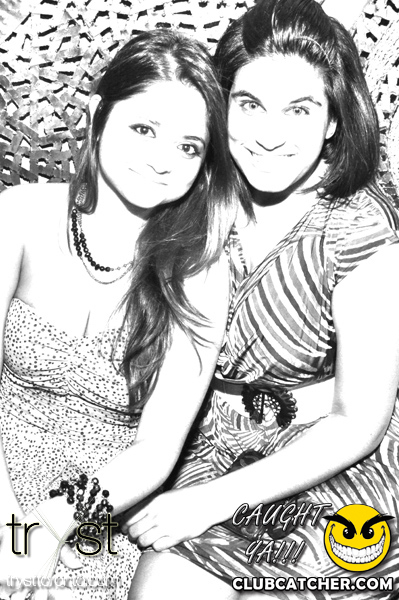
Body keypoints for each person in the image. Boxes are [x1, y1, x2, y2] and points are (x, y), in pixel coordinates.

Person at [126, 1, 399, 598]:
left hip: (331, 463)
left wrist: (212, 502)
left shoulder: (359, 225)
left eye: (299, 110)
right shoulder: (191, 191)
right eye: (249, 105)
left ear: (334, 120)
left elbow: (358, 422)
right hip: (206, 450)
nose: (269, 136)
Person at [0, 29, 241, 599]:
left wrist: (47, 529)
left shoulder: (200, 270)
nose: (161, 161)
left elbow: (155, 451)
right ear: (96, 116)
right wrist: (11, 529)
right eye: (143, 129)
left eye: (188, 147)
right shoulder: (20, 216)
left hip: (98, 504)